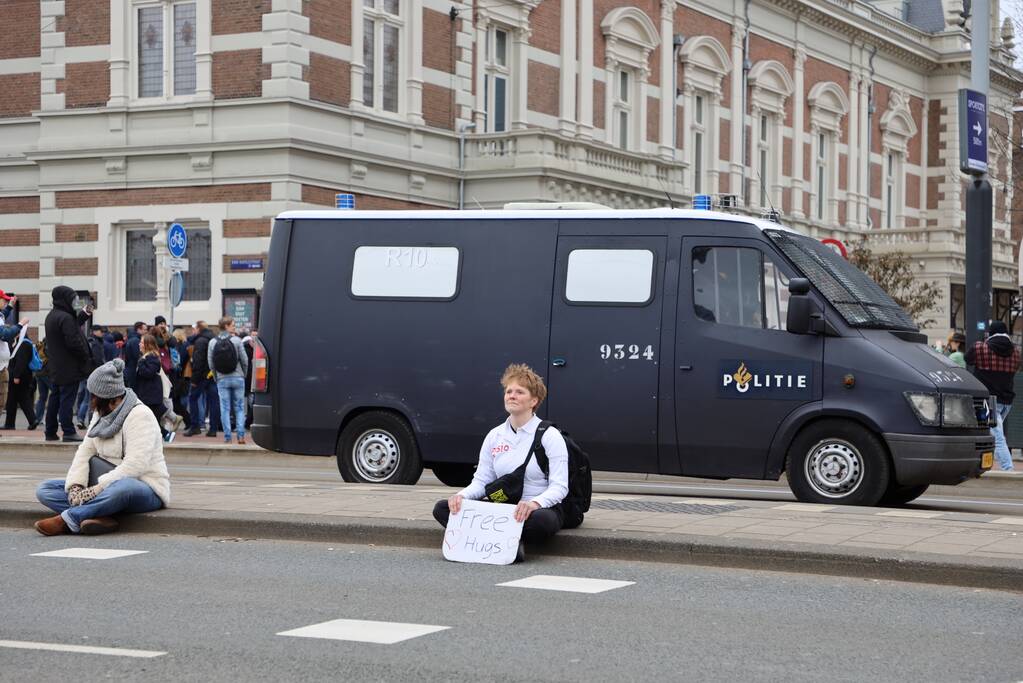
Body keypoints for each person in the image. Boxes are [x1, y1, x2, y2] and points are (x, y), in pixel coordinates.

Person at [432, 364, 569, 561]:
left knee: (543, 522)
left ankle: (499, 540)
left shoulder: (550, 436)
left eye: (519, 392)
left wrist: (534, 503)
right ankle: (506, 542)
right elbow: (481, 481)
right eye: (508, 391)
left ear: (534, 401)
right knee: (443, 508)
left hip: (536, 509)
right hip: (503, 506)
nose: (511, 395)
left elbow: (560, 488)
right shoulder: (494, 436)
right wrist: (460, 496)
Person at [33, 358, 170, 536]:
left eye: (95, 397)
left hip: (145, 486)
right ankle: (102, 516)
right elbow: (85, 450)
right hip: (102, 483)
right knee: (46, 490)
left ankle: (69, 520)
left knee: (122, 489)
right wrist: (76, 486)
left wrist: (96, 490)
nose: (92, 402)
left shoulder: (140, 415)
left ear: (110, 399)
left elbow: (136, 465)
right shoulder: (101, 413)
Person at [966, 321, 1021, 472]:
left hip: (987, 401)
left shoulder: (980, 347)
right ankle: (983, 464)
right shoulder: (1016, 352)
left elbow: (968, 359)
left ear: (990, 333)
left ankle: (1008, 470)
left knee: (997, 437)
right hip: (1006, 401)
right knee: (989, 433)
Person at [43, 286, 91, 443]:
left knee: (55, 399)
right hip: (69, 366)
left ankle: (50, 431)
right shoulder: (65, 317)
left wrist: (82, 316)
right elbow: (73, 340)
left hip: (56, 366)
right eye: (72, 299)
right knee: (67, 400)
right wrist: (84, 355)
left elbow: (69, 327)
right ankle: (68, 431)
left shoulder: (52, 316)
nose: (74, 302)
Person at [208, 317, 248, 444]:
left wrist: (216, 376)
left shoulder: (212, 342)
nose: (234, 327)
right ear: (226, 326)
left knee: (225, 408)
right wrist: (243, 374)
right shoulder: (237, 340)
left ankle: (227, 437)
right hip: (238, 378)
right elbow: (245, 360)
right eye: (232, 325)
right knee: (240, 408)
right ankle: (241, 436)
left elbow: (211, 363)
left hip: (222, 379)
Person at [186, 320, 220, 437]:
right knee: (214, 401)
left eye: (194, 329)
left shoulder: (200, 341)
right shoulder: (214, 338)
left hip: (201, 376)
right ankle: (213, 429)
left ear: (198, 329)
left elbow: (198, 361)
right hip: (212, 374)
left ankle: (195, 426)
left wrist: (194, 380)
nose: (192, 332)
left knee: (193, 398)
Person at [4, 333, 38, 429]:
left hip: (19, 377)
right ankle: (31, 420)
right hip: (20, 376)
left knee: (17, 399)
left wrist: (16, 376)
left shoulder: (23, 344)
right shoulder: (21, 343)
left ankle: (10, 424)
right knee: (16, 399)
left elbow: (21, 361)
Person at [77, 325, 107, 428]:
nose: (102, 333)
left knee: (85, 398)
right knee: (91, 399)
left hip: (85, 373)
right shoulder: (95, 343)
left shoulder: (87, 341)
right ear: (94, 331)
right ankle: (90, 421)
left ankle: (80, 419)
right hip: (92, 374)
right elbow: (98, 359)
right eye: (100, 331)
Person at [123, 321, 146, 389]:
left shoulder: (132, 339)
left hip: (130, 369)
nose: (146, 331)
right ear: (139, 329)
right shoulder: (136, 341)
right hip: (132, 371)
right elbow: (137, 356)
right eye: (144, 329)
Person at [33, 338, 50, 427]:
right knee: (56, 394)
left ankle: (38, 418)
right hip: (48, 374)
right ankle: (52, 418)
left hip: (39, 373)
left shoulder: (40, 347)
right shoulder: (49, 348)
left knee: (42, 397)